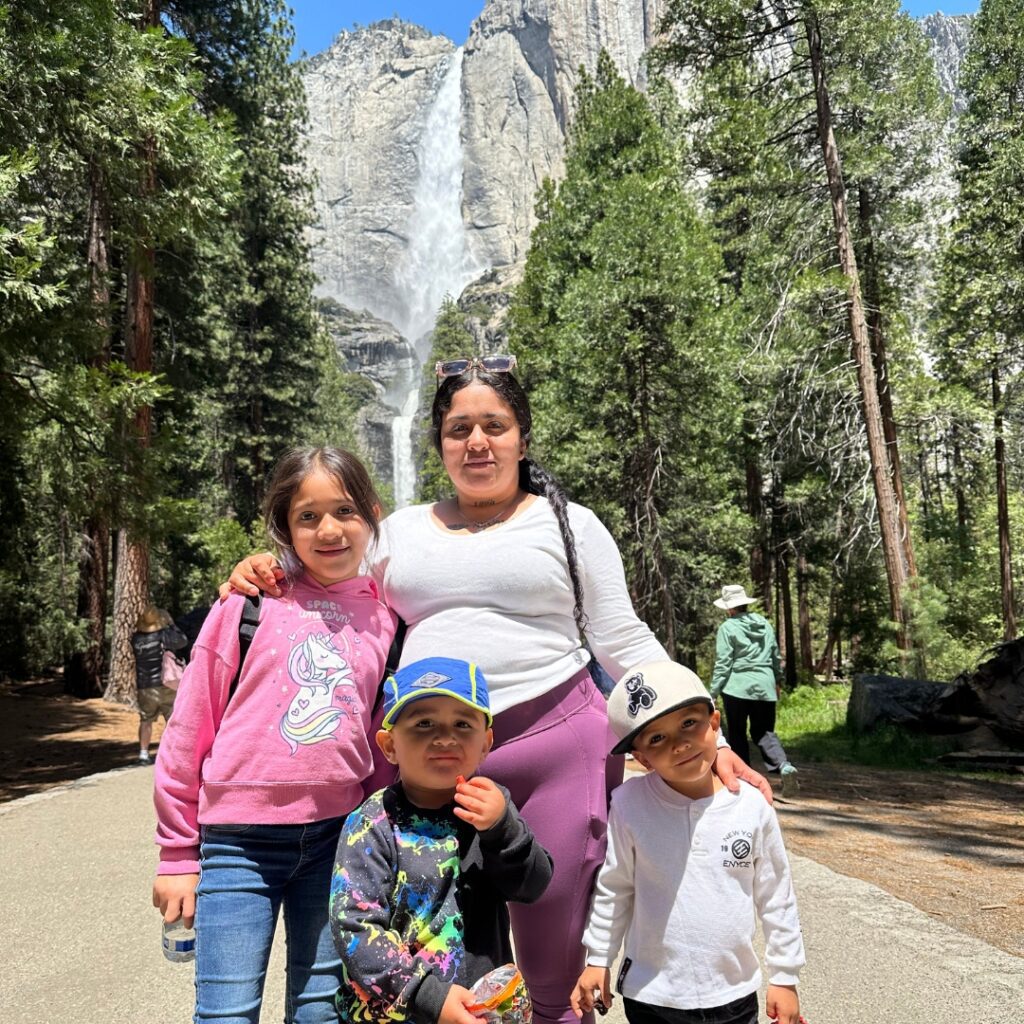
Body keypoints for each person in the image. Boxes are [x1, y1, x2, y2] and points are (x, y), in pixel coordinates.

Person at [225, 355, 770, 1024]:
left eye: (494, 425)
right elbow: (325, 569)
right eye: (459, 429)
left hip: (555, 750)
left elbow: (622, 640)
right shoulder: (398, 533)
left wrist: (692, 733)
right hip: (428, 767)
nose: (477, 442)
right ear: (439, 443)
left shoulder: (570, 526)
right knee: (425, 960)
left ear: (522, 436)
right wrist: (267, 566)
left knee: (555, 968)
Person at [152, 447, 397, 1024]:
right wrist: (177, 854)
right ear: (286, 527)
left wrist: (381, 843)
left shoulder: (386, 618)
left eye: (345, 510)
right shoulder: (251, 601)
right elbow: (189, 728)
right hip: (237, 847)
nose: (329, 529)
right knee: (226, 1012)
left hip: (336, 846)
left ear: (373, 514)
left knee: (321, 1011)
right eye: (307, 516)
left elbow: (379, 745)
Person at [571, 661, 805, 1024]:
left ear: (714, 723)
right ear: (642, 758)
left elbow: (777, 896)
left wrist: (785, 977)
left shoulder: (751, 807)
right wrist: (598, 957)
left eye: (688, 724)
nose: (679, 744)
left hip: (734, 993)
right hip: (653, 995)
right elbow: (614, 887)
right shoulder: (630, 804)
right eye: (657, 738)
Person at [331, 656, 553, 1024]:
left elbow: (532, 887)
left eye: (463, 723)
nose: (445, 736)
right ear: (389, 746)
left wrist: (503, 829)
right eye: (424, 723)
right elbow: (353, 926)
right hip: (403, 1011)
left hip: (484, 1007)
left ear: (486, 743)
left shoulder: (493, 806)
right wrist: (428, 995)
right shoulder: (372, 822)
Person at [710, 585, 798, 796]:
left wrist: (713, 692)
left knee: (738, 734)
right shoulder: (763, 624)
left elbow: (724, 663)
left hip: (736, 687)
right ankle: (784, 765)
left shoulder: (727, 628)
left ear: (729, 608)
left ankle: (745, 782)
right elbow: (775, 656)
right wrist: (777, 680)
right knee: (764, 731)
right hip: (765, 685)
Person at [131, 605, 188, 765]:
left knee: (145, 719)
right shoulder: (164, 634)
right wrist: (170, 624)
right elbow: (182, 641)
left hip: (145, 686)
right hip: (166, 684)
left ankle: (143, 754)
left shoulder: (136, 639)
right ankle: (169, 753)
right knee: (171, 719)